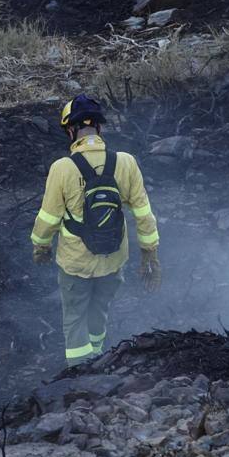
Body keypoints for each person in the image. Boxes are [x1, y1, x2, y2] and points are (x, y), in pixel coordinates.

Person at [30, 94, 162, 367]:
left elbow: (48, 218)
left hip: (75, 263)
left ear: (71, 130)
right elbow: (143, 214)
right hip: (113, 261)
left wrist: (41, 247)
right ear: (99, 128)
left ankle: (81, 374)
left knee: (75, 318)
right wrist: (150, 255)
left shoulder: (62, 168)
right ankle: (99, 361)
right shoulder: (126, 162)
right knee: (98, 313)